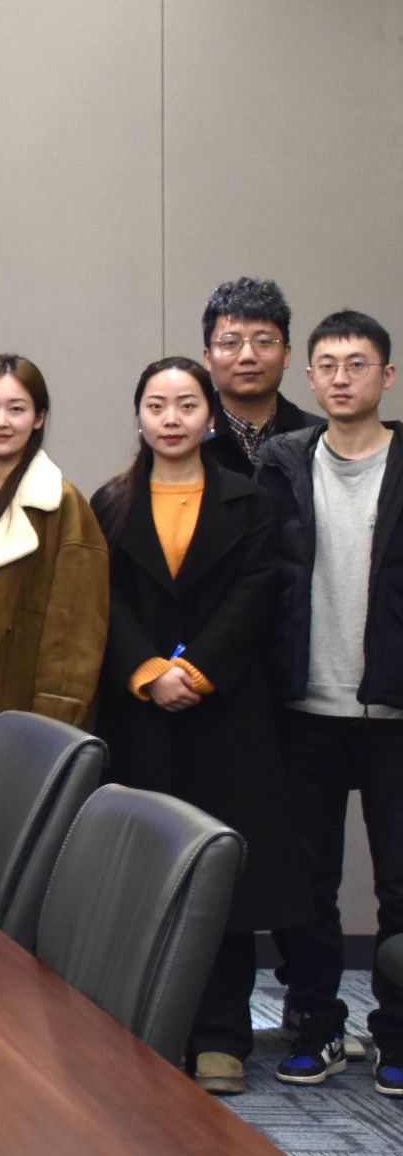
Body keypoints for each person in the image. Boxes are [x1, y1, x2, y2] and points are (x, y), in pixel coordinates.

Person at [92, 356, 303, 1097]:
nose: (172, 418)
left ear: (209, 415)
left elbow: (256, 595)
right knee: (145, 874)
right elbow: (101, 599)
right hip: (139, 714)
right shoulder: (111, 502)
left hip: (226, 714)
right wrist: (149, 670)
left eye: (186, 404)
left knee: (223, 881)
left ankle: (220, 1037)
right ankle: (149, 1031)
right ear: (139, 415)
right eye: (157, 404)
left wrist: (197, 670)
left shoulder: (251, 501)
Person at [256, 311, 403, 1094]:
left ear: (388, 375)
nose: (342, 377)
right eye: (328, 365)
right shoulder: (282, 464)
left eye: (358, 362)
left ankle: (398, 1032)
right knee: (306, 881)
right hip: (305, 707)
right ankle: (316, 1025)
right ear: (309, 378)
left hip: (394, 712)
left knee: (399, 886)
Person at [0, 355, 108, 787]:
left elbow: (77, 629)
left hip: (23, 703)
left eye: (17, 409)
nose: (1, 421)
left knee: (15, 819)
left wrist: (56, 717)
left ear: (39, 417)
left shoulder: (63, 505)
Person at [202, 277, 314, 477]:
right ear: (208, 358)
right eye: (230, 343)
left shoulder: (318, 438)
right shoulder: (190, 439)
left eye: (263, 342)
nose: (248, 356)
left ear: (286, 354)